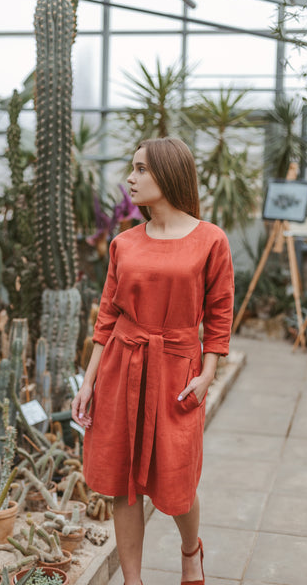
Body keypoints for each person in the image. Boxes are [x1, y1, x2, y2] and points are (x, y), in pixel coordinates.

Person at [71, 137, 234, 585]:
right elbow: (107, 317)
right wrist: (89, 382)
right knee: (123, 481)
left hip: (176, 371)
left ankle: (190, 550)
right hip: (122, 365)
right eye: (132, 168)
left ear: (168, 173)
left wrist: (208, 373)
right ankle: (133, 580)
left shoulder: (210, 240)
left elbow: (220, 313)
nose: (131, 178)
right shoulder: (123, 243)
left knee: (177, 485)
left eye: (141, 169)